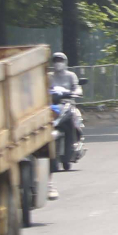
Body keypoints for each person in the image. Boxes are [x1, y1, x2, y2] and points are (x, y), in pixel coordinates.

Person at [48, 52, 81, 200]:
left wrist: (75, 93)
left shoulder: (70, 75)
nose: (58, 63)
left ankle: (76, 140)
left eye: (60, 60)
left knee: (76, 120)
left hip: (67, 105)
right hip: (54, 106)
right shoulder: (49, 76)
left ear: (65, 61)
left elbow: (77, 88)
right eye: (55, 60)